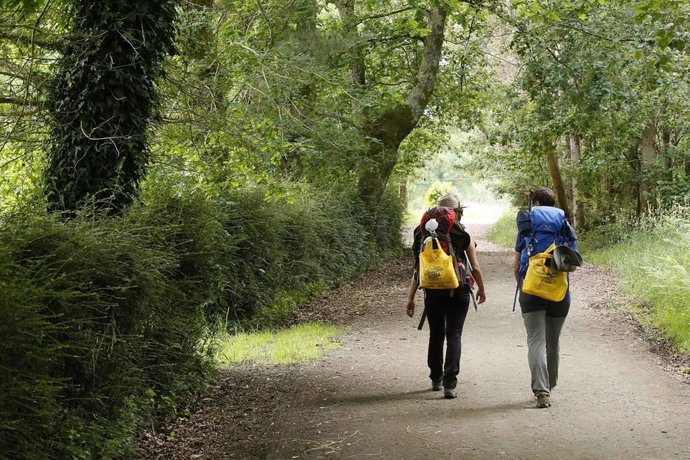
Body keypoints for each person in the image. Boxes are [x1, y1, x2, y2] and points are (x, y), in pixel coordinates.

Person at [405, 194, 486, 399]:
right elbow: (475, 267)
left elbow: (418, 267)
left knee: (436, 334)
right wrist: (481, 289)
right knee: (454, 334)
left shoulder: (421, 232)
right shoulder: (461, 233)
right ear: (457, 213)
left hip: (432, 289)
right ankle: (450, 384)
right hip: (458, 289)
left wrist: (411, 297)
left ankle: (435, 378)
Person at [514, 187, 578, 409]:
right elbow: (574, 262)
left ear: (537, 202)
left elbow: (516, 264)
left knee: (536, 341)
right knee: (553, 341)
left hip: (531, 291)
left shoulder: (528, 224)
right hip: (559, 293)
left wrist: (522, 281)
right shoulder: (563, 225)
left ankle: (541, 392)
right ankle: (549, 385)